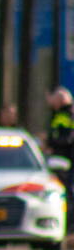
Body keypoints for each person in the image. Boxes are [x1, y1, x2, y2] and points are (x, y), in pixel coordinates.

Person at [46, 87, 74, 231]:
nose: (51, 103)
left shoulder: (68, 114)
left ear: (61, 100)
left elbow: (68, 138)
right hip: (62, 160)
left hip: (65, 160)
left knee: (66, 194)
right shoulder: (61, 114)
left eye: (54, 100)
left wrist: (52, 143)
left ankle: (69, 226)